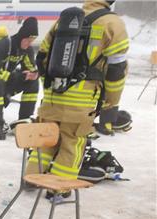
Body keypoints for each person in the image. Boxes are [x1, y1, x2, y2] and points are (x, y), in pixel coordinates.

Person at [27, 0, 128, 186]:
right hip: (81, 104)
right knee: (72, 145)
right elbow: (117, 70)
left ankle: (31, 180)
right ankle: (58, 189)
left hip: (52, 97)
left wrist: (50, 88)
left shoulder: (66, 19)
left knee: (45, 141)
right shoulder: (114, 24)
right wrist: (111, 102)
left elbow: (42, 56)